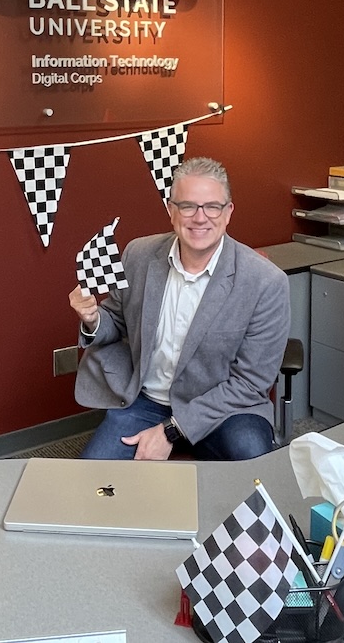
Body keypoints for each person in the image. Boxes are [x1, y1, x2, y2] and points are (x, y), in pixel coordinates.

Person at [68, 156, 290, 460]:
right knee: (92, 478)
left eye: (212, 206)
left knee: (250, 461)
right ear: (172, 211)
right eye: (188, 206)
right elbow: (117, 319)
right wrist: (93, 319)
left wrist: (171, 430)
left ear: (228, 213)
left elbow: (250, 384)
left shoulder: (266, 282)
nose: (200, 218)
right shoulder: (139, 254)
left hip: (225, 411)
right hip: (148, 402)